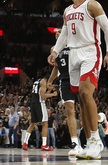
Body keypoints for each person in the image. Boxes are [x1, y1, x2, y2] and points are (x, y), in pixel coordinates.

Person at [48, 0, 108, 160]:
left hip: (90, 51)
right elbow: (64, 34)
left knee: (86, 93)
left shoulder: (92, 5)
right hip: (73, 54)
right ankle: (89, 143)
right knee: (82, 101)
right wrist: (55, 51)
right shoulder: (67, 11)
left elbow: (107, 29)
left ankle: (96, 140)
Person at [48, 29, 84, 157]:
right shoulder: (54, 50)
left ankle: (100, 120)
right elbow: (56, 67)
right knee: (70, 111)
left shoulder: (74, 44)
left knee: (85, 110)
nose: (57, 35)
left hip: (78, 79)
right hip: (64, 81)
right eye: (56, 34)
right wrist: (50, 81)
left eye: (59, 33)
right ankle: (75, 143)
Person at [21, 77, 56, 151]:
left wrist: (48, 91)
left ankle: (25, 143)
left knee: (32, 124)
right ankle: (44, 145)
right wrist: (52, 94)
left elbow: (40, 94)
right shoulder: (43, 82)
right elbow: (42, 96)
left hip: (33, 103)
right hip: (40, 103)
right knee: (45, 123)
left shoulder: (36, 82)